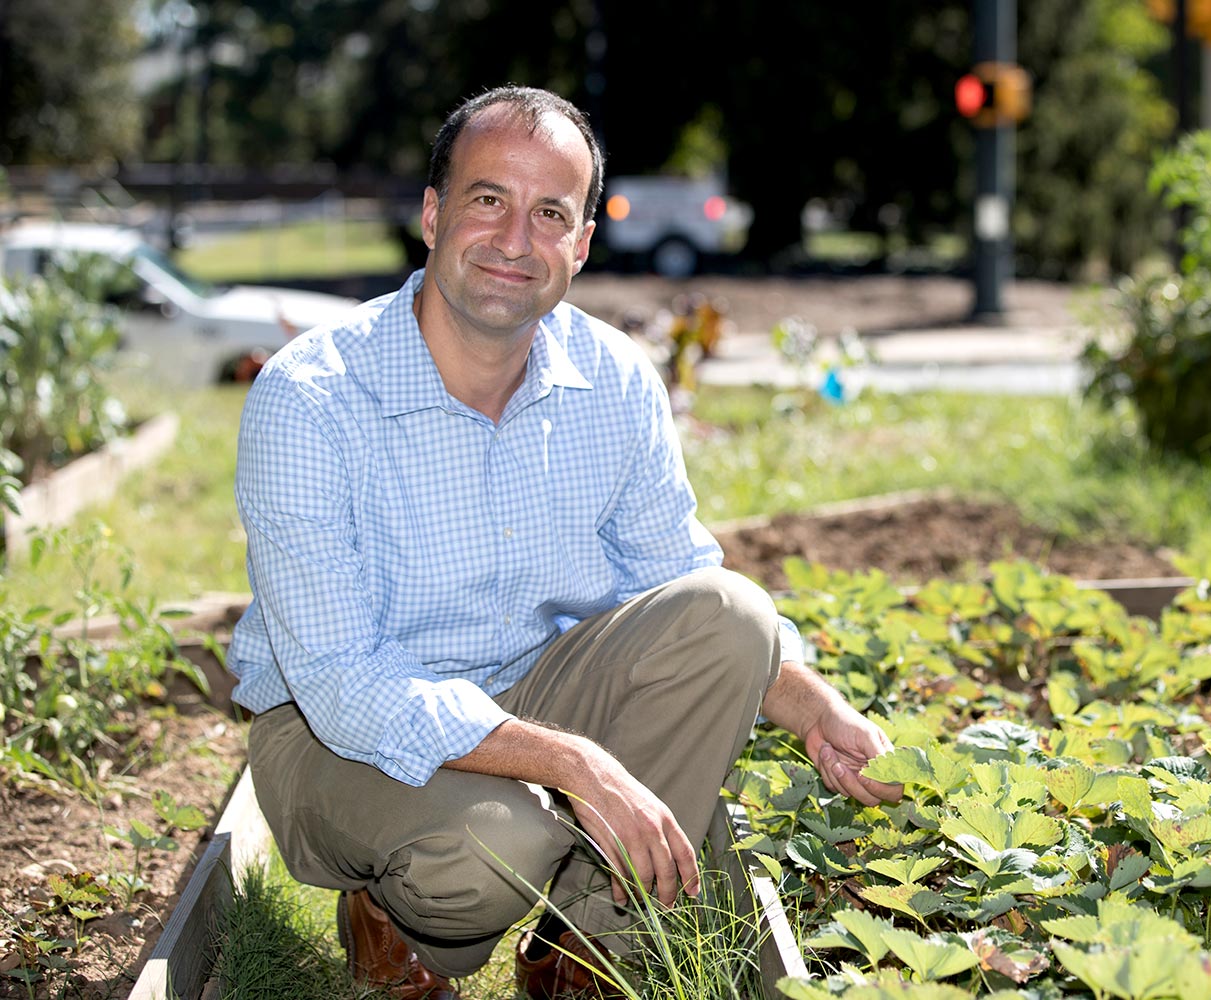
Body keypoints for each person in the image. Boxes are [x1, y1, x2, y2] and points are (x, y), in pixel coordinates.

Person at [227, 85, 902, 1000]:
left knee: (732, 615)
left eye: (551, 213)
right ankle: (394, 922)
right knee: (497, 844)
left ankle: (584, 949)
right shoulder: (312, 398)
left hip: (530, 685)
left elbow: (681, 578)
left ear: (582, 244)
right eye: (488, 199)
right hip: (330, 733)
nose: (516, 241)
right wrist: (572, 764)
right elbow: (345, 683)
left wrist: (818, 709)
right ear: (432, 216)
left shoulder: (614, 378)